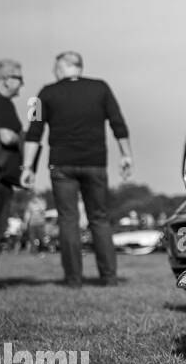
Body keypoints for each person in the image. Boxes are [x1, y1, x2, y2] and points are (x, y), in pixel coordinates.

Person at [21, 51, 133, 287]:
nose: (54, 72)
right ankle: (109, 277)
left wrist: (27, 166)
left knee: (68, 220)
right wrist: (126, 155)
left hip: (61, 164)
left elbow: (34, 131)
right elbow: (118, 123)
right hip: (95, 163)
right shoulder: (101, 88)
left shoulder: (44, 92)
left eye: (55, 67)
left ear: (63, 67)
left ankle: (73, 279)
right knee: (99, 219)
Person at [0, 59, 25, 289]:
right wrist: (24, 140)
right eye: (19, 78)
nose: (22, 84)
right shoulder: (2, 103)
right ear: (5, 79)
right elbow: (7, 136)